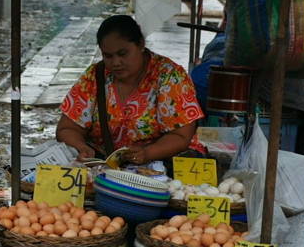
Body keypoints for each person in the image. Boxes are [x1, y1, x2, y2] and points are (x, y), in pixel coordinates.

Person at [56, 15, 207, 165]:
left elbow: (181, 136)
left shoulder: (169, 77)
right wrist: (82, 148)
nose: (116, 63)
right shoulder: (94, 77)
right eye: (108, 56)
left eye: (123, 54)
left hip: (160, 161)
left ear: (140, 44)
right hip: (104, 162)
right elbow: (67, 129)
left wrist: (148, 153)